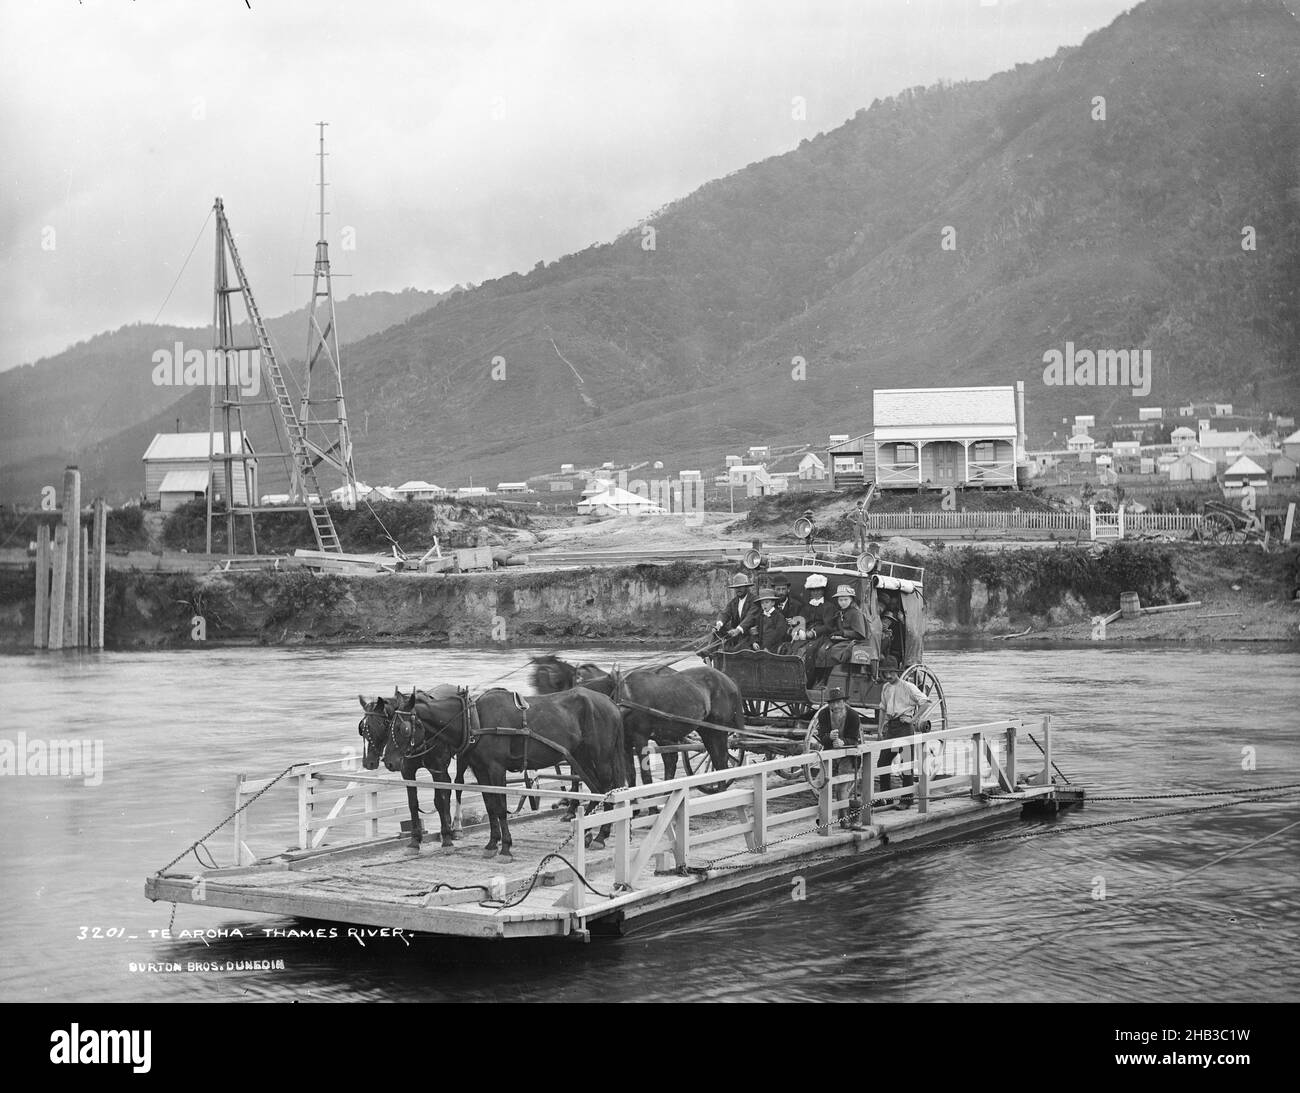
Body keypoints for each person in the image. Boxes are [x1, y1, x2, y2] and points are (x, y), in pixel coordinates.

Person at [875, 665, 935, 810]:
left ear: (896, 672)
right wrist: (879, 729)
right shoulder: (885, 688)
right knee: (882, 763)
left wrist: (913, 720)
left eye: (891, 672)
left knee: (906, 764)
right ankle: (886, 798)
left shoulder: (908, 687)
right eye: (886, 673)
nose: (888, 676)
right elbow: (882, 709)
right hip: (891, 728)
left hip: (904, 727)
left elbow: (925, 703)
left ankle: (907, 800)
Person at [813, 687, 865, 830]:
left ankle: (844, 819)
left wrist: (843, 743)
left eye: (838, 702)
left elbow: (855, 740)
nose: (835, 706)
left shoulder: (853, 716)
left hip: (848, 755)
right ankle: (824, 819)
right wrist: (829, 737)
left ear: (844, 702)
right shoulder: (823, 714)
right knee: (822, 785)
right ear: (829, 704)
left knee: (842, 788)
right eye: (833, 703)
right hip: (830, 754)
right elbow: (822, 737)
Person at [810, 584, 868, 688]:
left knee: (833, 650)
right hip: (840, 640)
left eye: (845, 599)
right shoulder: (840, 612)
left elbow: (860, 634)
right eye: (840, 600)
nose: (843, 602)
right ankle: (818, 679)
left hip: (854, 641)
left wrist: (844, 633)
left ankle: (826, 680)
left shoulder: (856, 613)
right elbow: (835, 626)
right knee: (822, 650)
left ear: (851, 599)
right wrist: (835, 632)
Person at [793, 573, 835, 687]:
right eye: (813, 590)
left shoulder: (829, 607)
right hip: (806, 635)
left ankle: (809, 681)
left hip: (822, 636)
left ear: (823, 591)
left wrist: (814, 632)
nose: (815, 593)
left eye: (818, 590)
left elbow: (829, 626)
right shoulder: (806, 606)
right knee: (794, 648)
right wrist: (799, 630)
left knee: (811, 651)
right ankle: (794, 678)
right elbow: (801, 620)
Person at [712, 571, 758, 652]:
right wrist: (718, 625)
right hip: (735, 634)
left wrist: (738, 630)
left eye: (741, 587)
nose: (738, 589)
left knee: (734, 651)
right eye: (736, 587)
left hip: (749, 635)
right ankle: (709, 652)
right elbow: (725, 613)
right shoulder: (733, 602)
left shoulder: (754, 600)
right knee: (717, 628)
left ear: (747, 587)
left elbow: (750, 618)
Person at [747, 587, 790, 652]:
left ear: (773, 603)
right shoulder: (759, 616)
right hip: (761, 647)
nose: (764, 605)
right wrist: (754, 642)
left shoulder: (779, 616)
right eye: (762, 603)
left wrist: (768, 647)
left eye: (767, 602)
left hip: (775, 647)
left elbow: (779, 634)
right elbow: (754, 631)